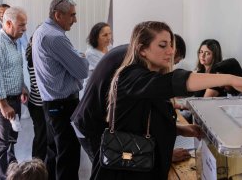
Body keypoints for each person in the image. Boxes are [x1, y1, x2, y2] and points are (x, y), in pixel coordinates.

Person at [90, 21, 242, 180]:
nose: (171, 51)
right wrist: (231, 79)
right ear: (142, 49)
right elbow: (180, 81)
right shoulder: (132, 76)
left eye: (171, 45)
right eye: (163, 45)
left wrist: (181, 129)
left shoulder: (149, 77)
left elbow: (143, 119)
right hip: (123, 170)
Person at [71, 34, 191, 164]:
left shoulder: (132, 54)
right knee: (109, 168)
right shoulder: (135, 66)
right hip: (95, 126)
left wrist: (178, 130)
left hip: (94, 121)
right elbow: (127, 155)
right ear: (169, 53)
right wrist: (164, 155)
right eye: (173, 63)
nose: (169, 69)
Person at [32, 0, 88, 180]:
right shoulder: (55, 38)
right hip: (63, 105)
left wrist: (76, 58)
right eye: (72, 15)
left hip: (51, 104)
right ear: (58, 15)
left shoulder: (42, 31)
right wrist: (82, 58)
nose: (75, 20)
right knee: (68, 156)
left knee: (54, 153)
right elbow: (82, 70)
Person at [0, 7, 28, 180]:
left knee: (10, 145)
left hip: (13, 100)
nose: (24, 28)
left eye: (25, 24)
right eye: (21, 25)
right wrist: (3, 105)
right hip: (0, 104)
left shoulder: (13, 41)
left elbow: (15, 68)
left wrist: (22, 87)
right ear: (8, 23)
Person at [25, 33, 47, 161]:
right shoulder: (34, 59)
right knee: (41, 136)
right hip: (39, 105)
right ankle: (36, 166)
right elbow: (41, 88)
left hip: (37, 104)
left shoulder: (35, 56)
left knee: (42, 135)